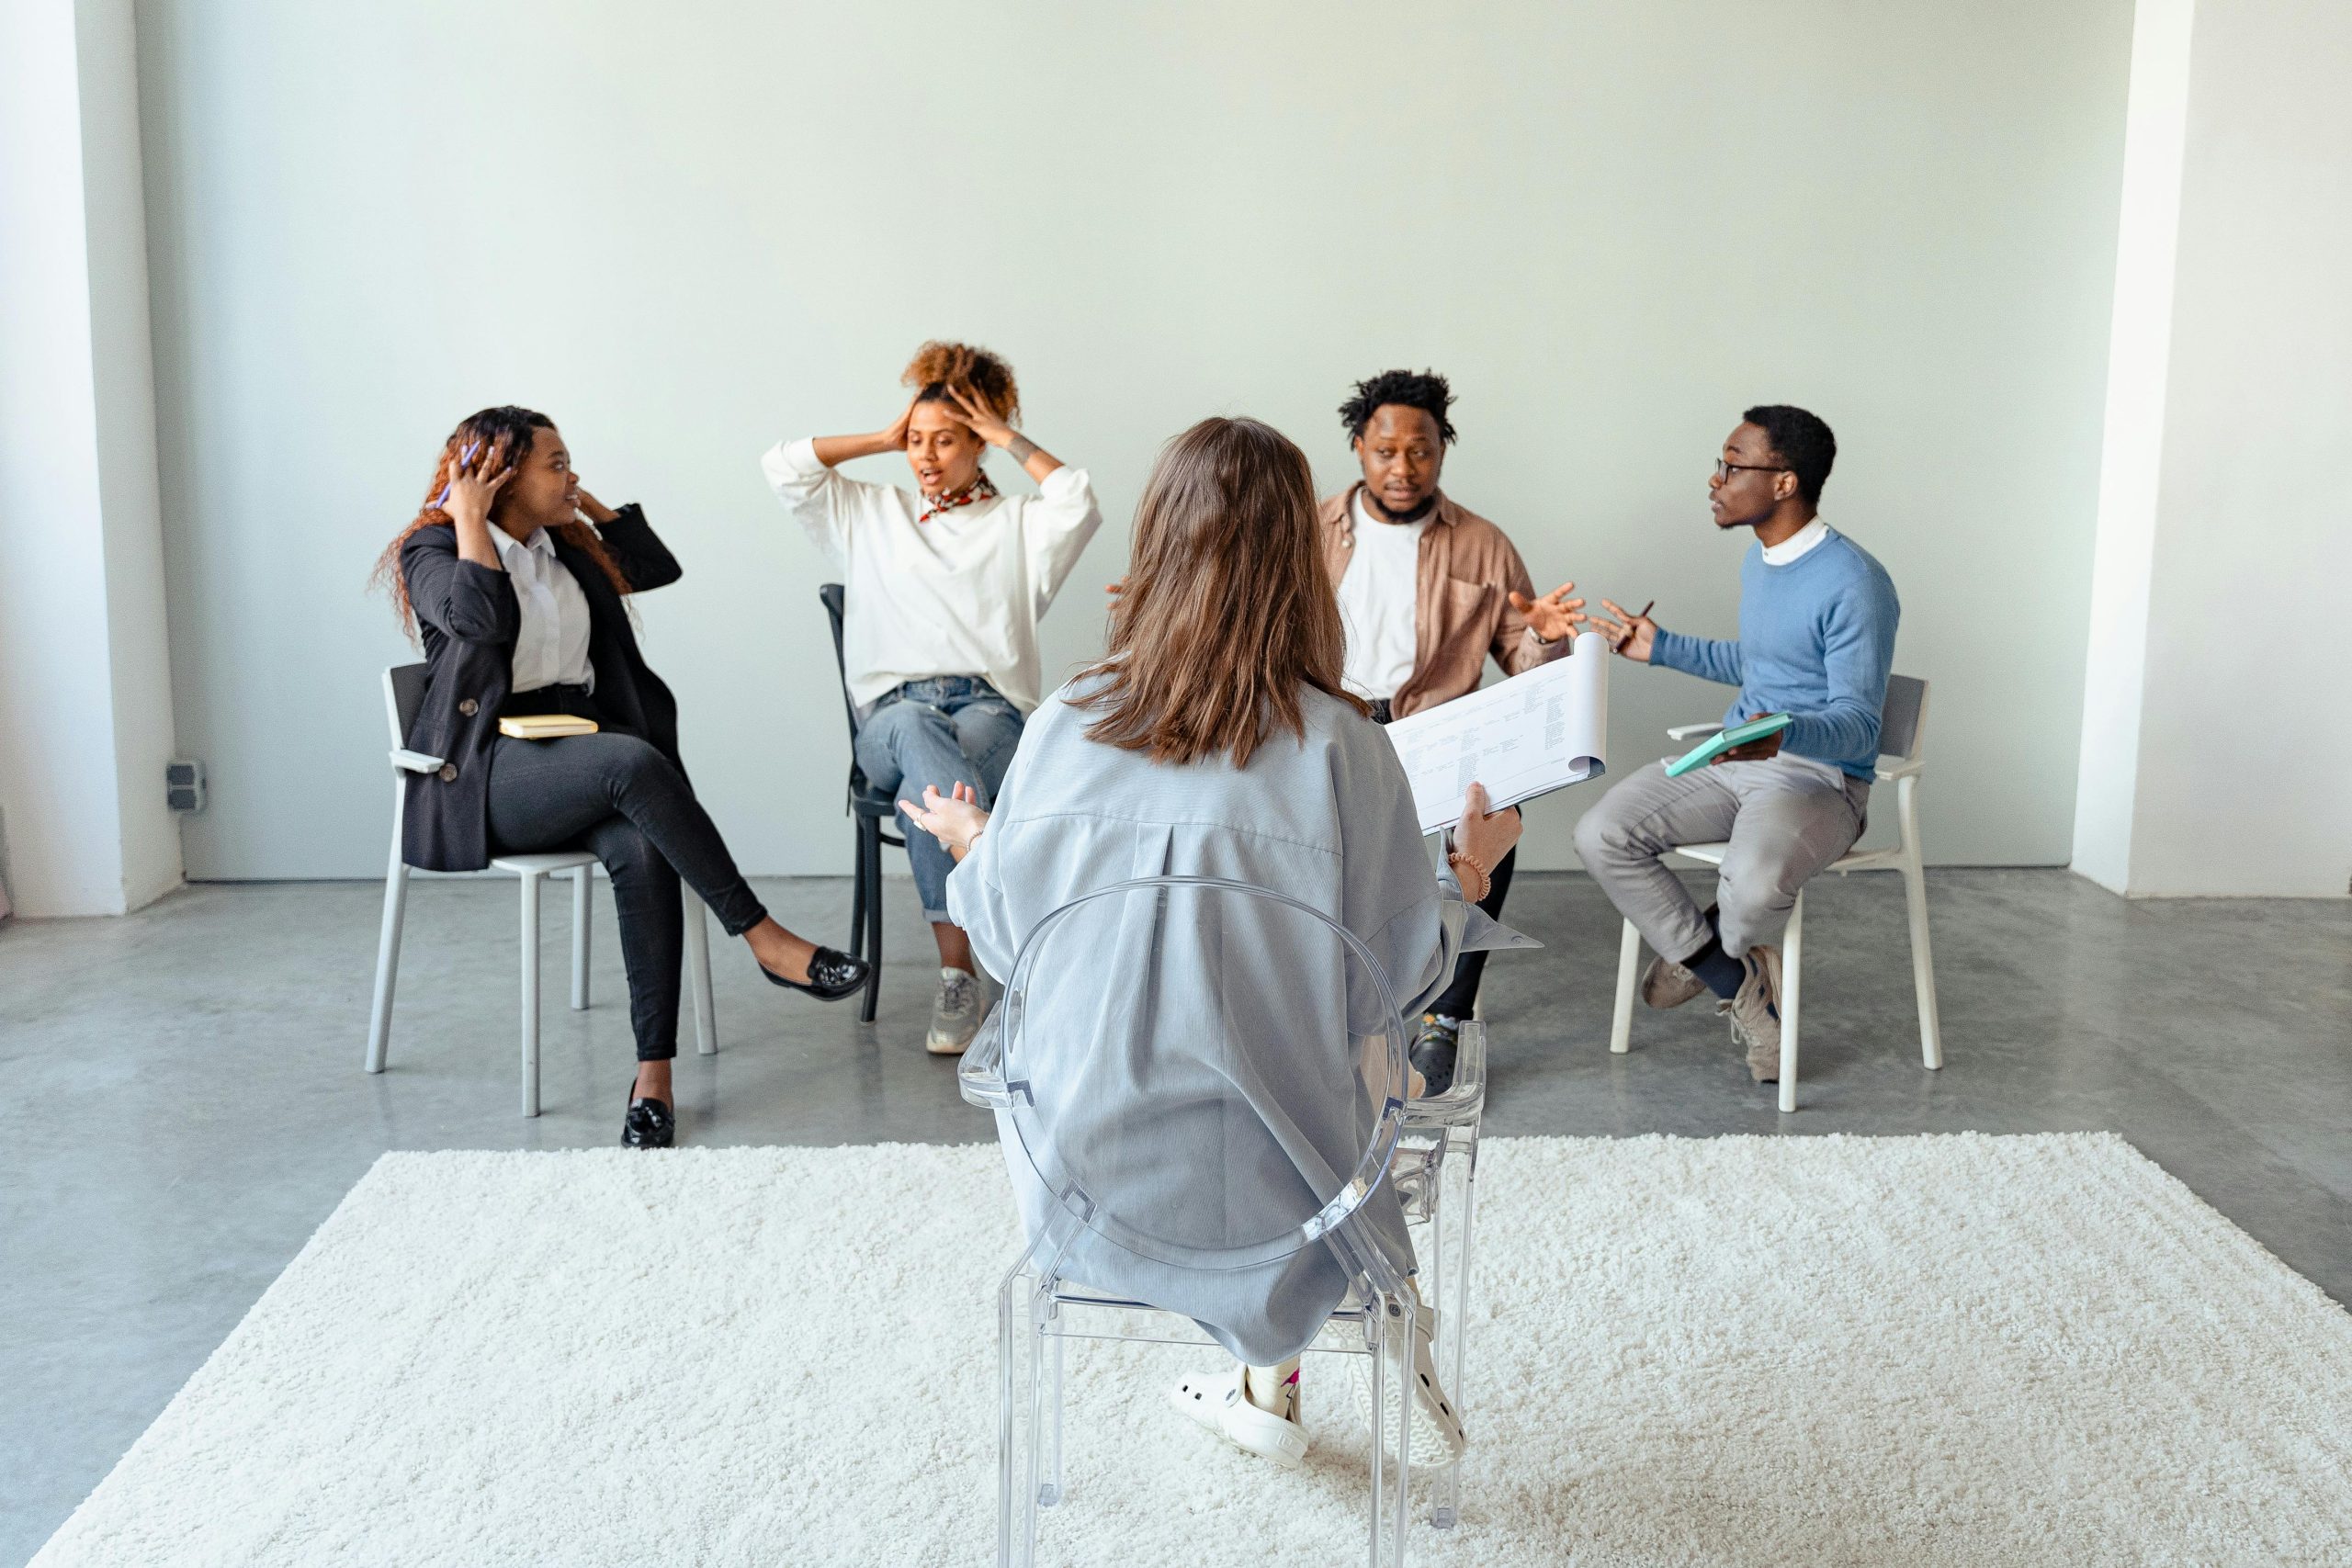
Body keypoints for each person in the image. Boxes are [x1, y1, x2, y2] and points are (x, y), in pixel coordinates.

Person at [899, 416, 1524, 1471]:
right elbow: (1395, 977)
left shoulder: (1065, 721)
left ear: (1157, 543)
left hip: (1081, 1182)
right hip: (1289, 1201)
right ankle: (1276, 1355)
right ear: (1302, 558)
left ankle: (1257, 1380)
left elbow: (1012, 942)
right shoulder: (1342, 747)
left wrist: (981, 843)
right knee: (1323, 1059)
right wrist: (1466, 870)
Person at [374, 406, 870, 1149]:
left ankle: (653, 1079)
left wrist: (587, 508)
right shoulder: (434, 548)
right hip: (488, 772)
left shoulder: (566, 547)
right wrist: (472, 516)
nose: (572, 474)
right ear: (500, 475)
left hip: (582, 756)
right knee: (636, 761)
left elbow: (654, 568)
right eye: (558, 464)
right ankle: (764, 937)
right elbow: (475, 618)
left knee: (642, 848)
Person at [763, 342, 1101, 1055]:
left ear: (980, 442)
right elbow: (783, 465)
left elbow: (1076, 498)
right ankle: (1002, 961)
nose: (923, 455)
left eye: (945, 439)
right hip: (892, 718)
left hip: (990, 712)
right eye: (914, 441)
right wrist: (886, 436)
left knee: (941, 775)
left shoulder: (1020, 526)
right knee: (921, 735)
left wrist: (1009, 433)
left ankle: (959, 977)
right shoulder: (867, 512)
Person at [1580, 405, 1899, 1082]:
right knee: (1602, 830)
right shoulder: (1763, 561)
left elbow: (1859, 725)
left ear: (1783, 483)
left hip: (1818, 778)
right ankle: (1736, 977)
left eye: (1731, 464)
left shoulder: (1856, 584)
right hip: (1735, 759)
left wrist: (1784, 732)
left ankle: (1705, 946)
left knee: (1751, 887)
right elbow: (1761, 663)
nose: (1714, 478)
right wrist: (1660, 647)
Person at [1321, 369, 1585, 1094]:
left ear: (1443, 450)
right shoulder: (1309, 531)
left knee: (1495, 812)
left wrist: (1546, 638)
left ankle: (1446, 1014)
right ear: (1358, 448)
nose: (1403, 468)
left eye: (1422, 451)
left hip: (1436, 728)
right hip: (1335, 724)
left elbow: (1524, 664)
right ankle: (1328, 1010)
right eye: (1385, 451)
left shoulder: (1483, 545)